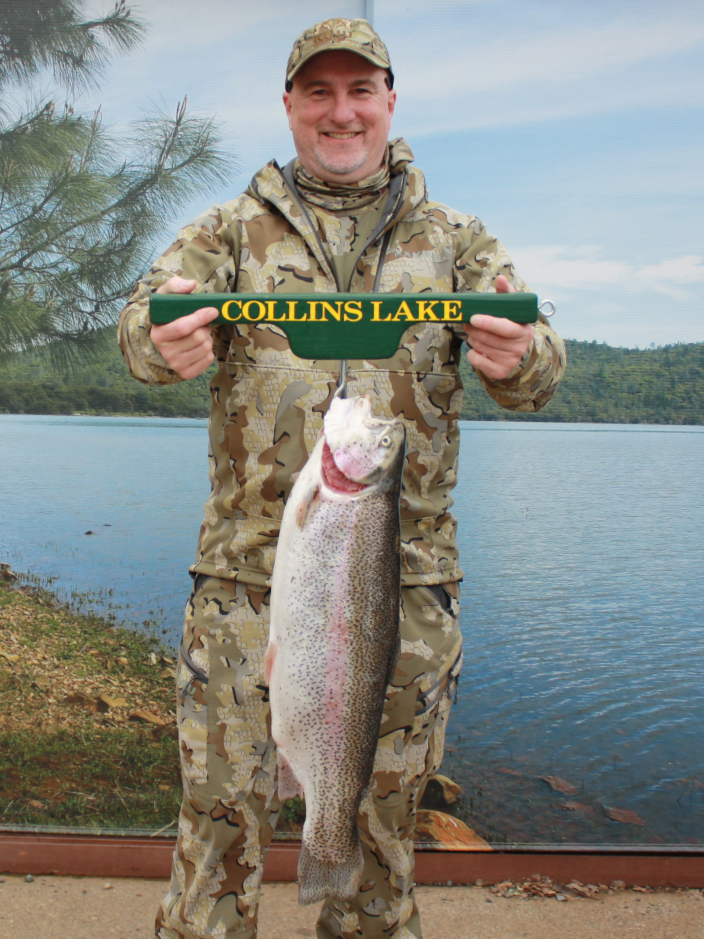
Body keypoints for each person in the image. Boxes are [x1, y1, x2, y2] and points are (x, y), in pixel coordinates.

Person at [118, 18, 566, 939]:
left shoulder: (457, 240)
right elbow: (139, 330)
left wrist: (521, 358)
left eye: (360, 90)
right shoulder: (227, 232)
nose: (341, 110)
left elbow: (543, 360)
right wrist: (160, 345)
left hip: (405, 592)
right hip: (244, 586)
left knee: (381, 839)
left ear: (390, 102)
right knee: (215, 833)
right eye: (318, 91)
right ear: (289, 105)